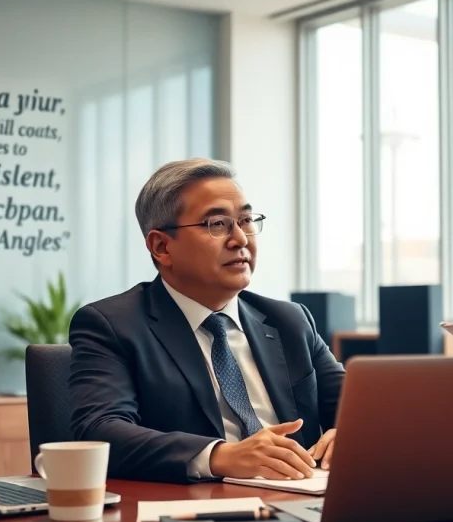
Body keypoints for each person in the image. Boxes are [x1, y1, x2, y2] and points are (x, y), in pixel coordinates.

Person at [69, 158, 344, 484]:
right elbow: (99, 431)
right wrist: (220, 455)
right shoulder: (112, 325)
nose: (240, 239)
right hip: (195, 511)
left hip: (304, 497)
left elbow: (358, 408)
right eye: (217, 224)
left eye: (245, 220)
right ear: (161, 247)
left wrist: (351, 434)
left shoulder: (290, 321)